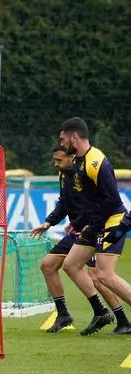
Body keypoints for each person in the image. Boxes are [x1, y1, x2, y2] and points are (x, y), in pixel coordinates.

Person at [31, 144, 130, 334]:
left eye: (59, 160)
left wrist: (86, 225)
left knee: (99, 275)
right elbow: (65, 203)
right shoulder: (65, 176)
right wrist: (49, 223)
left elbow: (96, 203)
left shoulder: (86, 172)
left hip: (96, 227)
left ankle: (121, 319)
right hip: (83, 229)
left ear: (72, 158)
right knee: (50, 265)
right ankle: (71, 314)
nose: (55, 164)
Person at [58, 117, 131, 335]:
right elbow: (90, 201)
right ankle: (102, 312)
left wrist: (93, 226)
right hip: (96, 224)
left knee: (104, 274)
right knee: (71, 264)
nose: (61, 144)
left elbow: (111, 202)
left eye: (63, 139)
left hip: (113, 222)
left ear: (74, 137)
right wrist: (80, 224)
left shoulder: (96, 162)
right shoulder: (78, 161)